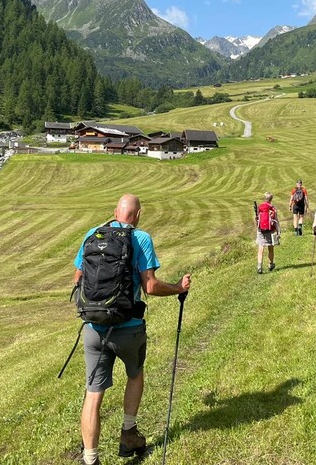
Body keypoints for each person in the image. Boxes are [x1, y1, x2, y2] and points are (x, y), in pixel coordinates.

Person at [73, 194, 192, 465]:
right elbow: (150, 286)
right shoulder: (141, 238)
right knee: (135, 375)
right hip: (129, 328)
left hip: (94, 329)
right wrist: (178, 288)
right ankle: (128, 435)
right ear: (137, 215)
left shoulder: (92, 234)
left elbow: (78, 277)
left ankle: (90, 458)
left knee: (93, 393)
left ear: (115, 212)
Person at [255, 192, 280, 274]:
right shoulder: (272, 208)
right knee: (271, 248)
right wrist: (278, 231)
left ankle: (259, 266)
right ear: (271, 199)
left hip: (261, 230)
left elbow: (257, 219)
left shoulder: (260, 207)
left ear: (264, 198)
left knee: (260, 248)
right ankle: (270, 264)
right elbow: (276, 221)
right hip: (270, 230)